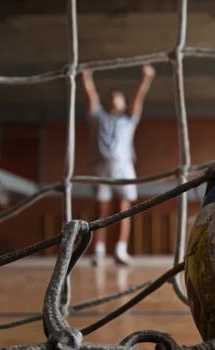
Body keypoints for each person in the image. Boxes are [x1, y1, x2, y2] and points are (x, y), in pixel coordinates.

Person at [81, 64, 155, 266]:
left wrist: (145, 79)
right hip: (102, 168)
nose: (115, 98)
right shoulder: (98, 118)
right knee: (100, 209)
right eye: (112, 96)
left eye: (119, 97)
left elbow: (138, 97)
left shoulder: (129, 119)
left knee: (124, 209)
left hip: (124, 166)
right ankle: (98, 251)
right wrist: (86, 79)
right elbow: (91, 97)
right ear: (108, 102)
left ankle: (120, 250)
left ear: (123, 103)